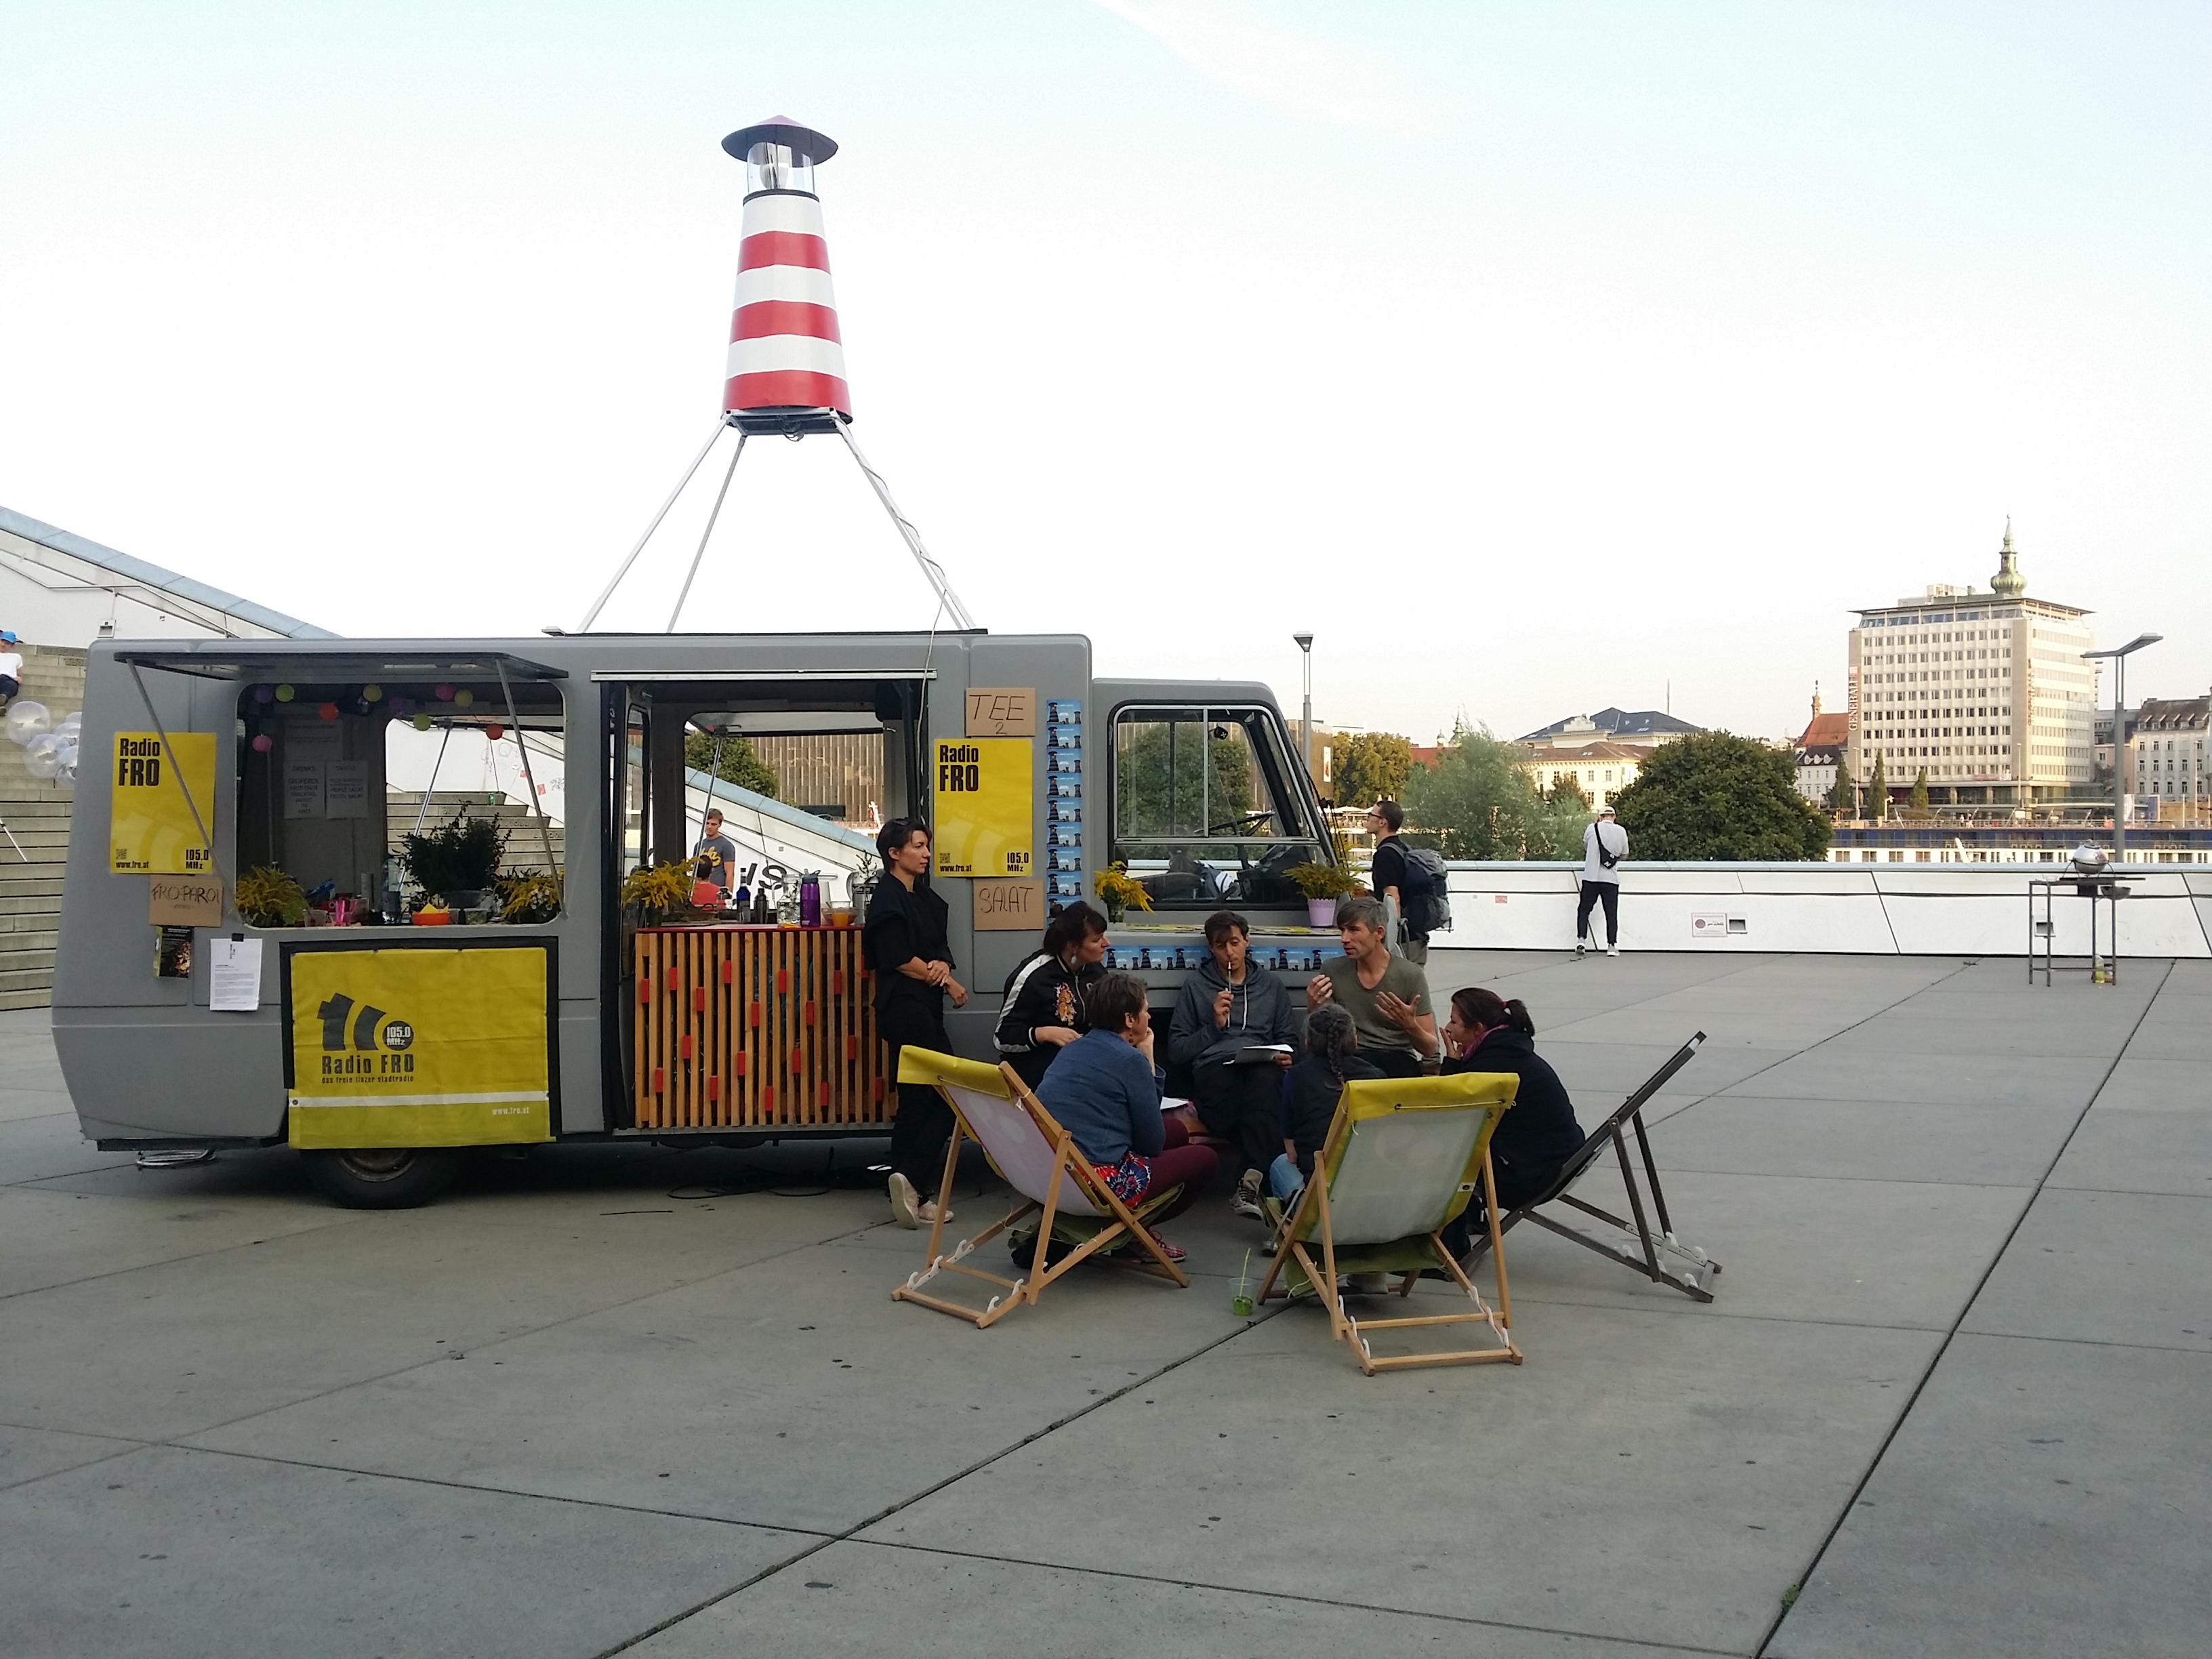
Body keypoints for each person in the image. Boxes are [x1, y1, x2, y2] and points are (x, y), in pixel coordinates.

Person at [1035, 972, 1218, 1261]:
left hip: (1054, 1167)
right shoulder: (1129, 1059)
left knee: (1179, 1132)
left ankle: (1122, 1233)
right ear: (1129, 1020)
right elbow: (1152, 1144)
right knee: (1205, 1158)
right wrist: (1147, 1056)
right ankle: (1130, 1234)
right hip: (1094, 1178)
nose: (1149, 1017)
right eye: (1145, 1010)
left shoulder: (1074, 1048)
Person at [862, 817, 967, 1229]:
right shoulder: (887, 899)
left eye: (926, 846)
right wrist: (950, 981)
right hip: (903, 1009)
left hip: (924, 1005)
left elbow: (936, 949)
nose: (926, 854)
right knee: (949, 1094)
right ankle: (913, 1181)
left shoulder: (924, 897)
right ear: (894, 853)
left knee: (914, 1100)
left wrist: (942, 964)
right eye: (918, 846)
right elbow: (900, 959)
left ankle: (907, 1188)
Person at [1166, 909, 1300, 1220]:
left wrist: (1286, 1055)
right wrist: (1214, 1026)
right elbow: (1177, 1050)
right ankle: (1267, 1180)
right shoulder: (1196, 986)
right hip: (1216, 1070)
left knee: (1264, 1081)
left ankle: (1249, 1182)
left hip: (1261, 1069)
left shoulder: (1270, 985)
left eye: (1235, 943)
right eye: (1221, 945)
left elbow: (1289, 1038)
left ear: (1247, 941)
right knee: (1258, 1109)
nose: (1230, 952)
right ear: (1211, 948)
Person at [1437, 986, 1585, 1260]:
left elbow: (1448, 1118)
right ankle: (1468, 1217)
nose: (1447, 1029)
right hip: (1562, 1158)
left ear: (1478, 1030)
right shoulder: (1509, 1049)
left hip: (1532, 1175)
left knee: (1441, 1154)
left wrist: (1451, 1064)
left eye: (1454, 1022)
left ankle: (1446, 1250)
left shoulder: (1489, 1067)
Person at [1305, 895, 1437, 1078]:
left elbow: (1430, 1048)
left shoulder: (1410, 974)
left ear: (1379, 933)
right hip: (1348, 1055)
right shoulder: (1332, 969)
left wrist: (1410, 1025)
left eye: (1353, 930)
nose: (1344, 938)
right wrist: (1314, 1007)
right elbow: (1325, 1033)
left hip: (1395, 1056)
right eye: (1342, 930)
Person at [1268, 1003, 1382, 1204]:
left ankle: (1297, 1218)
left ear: (1307, 1044)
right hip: (1370, 1197)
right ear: (1354, 1042)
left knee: (1280, 1165)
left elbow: (1292, 1154)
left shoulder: (1296, 1077)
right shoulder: (1377, 1077)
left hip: (1322, 1204)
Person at [994, 901, 1109, 1090]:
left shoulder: (1096, 971)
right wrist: (1045, 1033)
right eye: (1097, 940)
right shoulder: (1033, 977)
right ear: (1073, 946)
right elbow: (1002, 1037)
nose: (1106, 944)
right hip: (1036, 1080)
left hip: (1083, 1075)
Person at [1365, 799, 1436, 964]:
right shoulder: (1403, 849)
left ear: (1383, 822)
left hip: (1403, 940)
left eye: (1371, 815)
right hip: (1416, 935)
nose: (1367, 819)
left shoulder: (1385, 855)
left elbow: (1392, 897)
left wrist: (1391, 938)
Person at [1577, 805, 1627, 958]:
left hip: (1591, 877)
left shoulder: (1592, 828)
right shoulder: (1621, 831)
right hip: (1610, 879)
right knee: (1611, 913)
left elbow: (1586, 847)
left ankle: (1581, 940)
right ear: (1614, 817)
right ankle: (1611, 946)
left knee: (1584, 910)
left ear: (1600, 817)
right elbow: (1624, 854)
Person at [691, 808, 739, 900]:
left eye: (713, 824)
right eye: (707, 823)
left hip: (718, 894)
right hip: (700, 893)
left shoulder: (726, 846)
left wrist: (728, 896)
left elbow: (730, 873)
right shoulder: (698, 845)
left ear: (720, 825)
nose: (709, 827)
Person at [0, 631, 20, 704]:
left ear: (12, 645)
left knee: (11, 686)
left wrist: (19, 678)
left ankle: (2, 699)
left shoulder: (16, 657)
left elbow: (20, 674)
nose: (3, 645)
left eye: (7, 643)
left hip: (9, 680)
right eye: (2, 641)